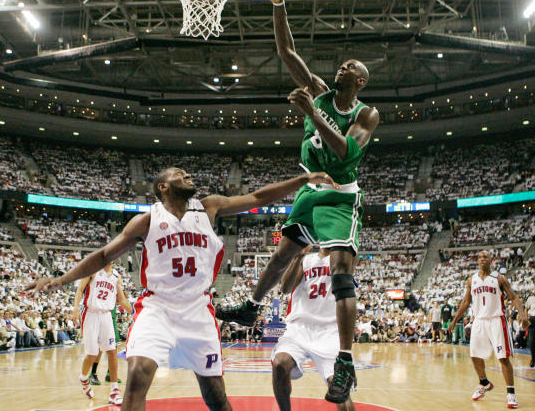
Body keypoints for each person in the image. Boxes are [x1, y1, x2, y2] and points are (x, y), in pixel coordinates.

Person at [25, 167, 337, 411]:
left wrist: (302, 180)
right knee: (137, 374)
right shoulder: (147, 220)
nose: (187, 176)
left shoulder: (209, 208)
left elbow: (256, 198)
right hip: (157, 308)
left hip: (198, 311)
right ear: (163, 186)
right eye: (180, 174)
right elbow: (105, 255)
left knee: (215, 397)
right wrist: (61, 279)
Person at [216, 0, 379, 405]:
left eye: (350, 67)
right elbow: (288, 53)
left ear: (359, 80)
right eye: (341, 65)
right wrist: (278, 4)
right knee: (282, 255)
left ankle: (343, 359)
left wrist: (311, 113)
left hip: (342, 193)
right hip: (312, 186)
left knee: (342, 272)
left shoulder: (365, 113)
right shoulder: (320, 89)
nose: (342, 68)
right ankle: (252, 304)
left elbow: (345, 153)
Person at [272, 245, 355, 411]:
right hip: (299, 328)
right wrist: (298, 254)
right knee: (280, 364)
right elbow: (285, 288)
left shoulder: (343, 258)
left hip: (330, 331)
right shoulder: (306, 260)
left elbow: (352, 260)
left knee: (339, 390)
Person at [448, 251, 529, 409]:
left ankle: (511, 394)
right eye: (479, 257)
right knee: (474, 355)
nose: (482, 259)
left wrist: (521, 313)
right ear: (477, 261)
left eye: (485, 257)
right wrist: (454, 321)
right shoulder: (472, 280)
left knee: (503, 358)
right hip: (479, 320)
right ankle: (484, 383)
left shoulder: (499, 278)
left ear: (491, 260)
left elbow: (513, 297)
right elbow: (465, 302)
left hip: (496, 320)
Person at [73, 262, 132, 404]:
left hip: (106, 315)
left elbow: (121, 298)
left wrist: (134, 312)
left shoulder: (116, 276)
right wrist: (75, 308)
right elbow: (80, 289)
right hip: (91, 313)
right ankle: (84, 378)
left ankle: (114, 391)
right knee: (92, 354)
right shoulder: (92, 270)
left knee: (112, 351)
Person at [526, 290, 535, 367]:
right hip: (532, 320)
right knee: (532, 342)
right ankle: (533, 359)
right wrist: (526, 319)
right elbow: (526, 309)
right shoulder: (530, 298)